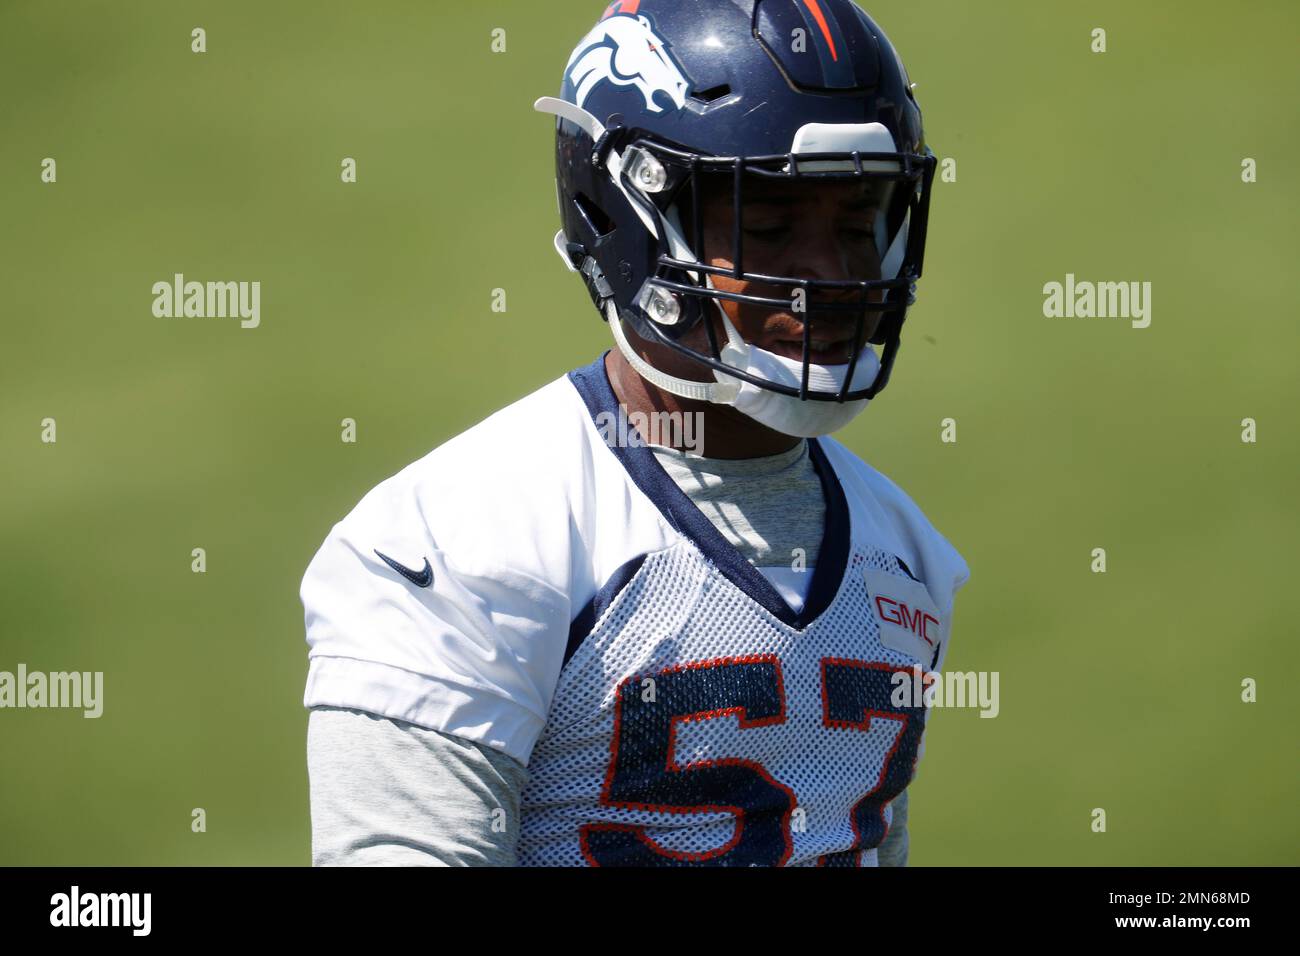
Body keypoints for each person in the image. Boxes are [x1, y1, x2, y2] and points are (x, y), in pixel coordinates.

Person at [302, 0, 969, 866]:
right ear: (624, 225)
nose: (828, 279)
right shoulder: (462, 544)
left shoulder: (908, 556)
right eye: (768, 227)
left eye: (858, 224)